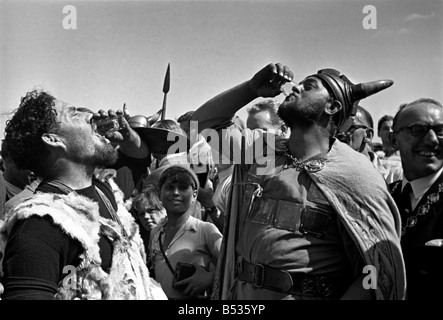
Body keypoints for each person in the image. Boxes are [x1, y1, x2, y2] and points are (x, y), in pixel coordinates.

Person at [193, 63, 406, 300]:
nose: (295, 87)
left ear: (332, 106)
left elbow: (378, 272)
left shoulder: (356, 173)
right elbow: (201, 123)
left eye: (309, 86)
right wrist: (251, 88)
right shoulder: (262, 151)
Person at [0, 89, 167, 300]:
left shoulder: (105, 189)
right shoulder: (40, 224)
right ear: (53, 139)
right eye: (73, 113)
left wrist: (127, 134)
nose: (90, 117)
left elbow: (138, 157)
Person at [388, 98, 443, 300]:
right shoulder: (381, 197)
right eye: (418, 130)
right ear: (394, 141)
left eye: (440, 130)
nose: (432, 140)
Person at [149, 165, 222, 300]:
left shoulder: (205, 230)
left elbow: (233, 264)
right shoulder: (155, 232)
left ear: (194, 195)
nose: (176, 193)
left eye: (183, 188)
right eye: (170, 187)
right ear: (160, 194)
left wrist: (211, 278)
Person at [336, 105, 403, 184]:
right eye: (337, 128)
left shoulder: (394, 173)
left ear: (368, 135)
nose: (341, 133)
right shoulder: (330, 173)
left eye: (349, 127)